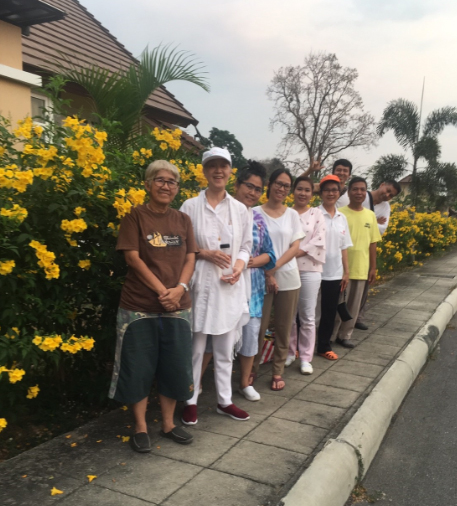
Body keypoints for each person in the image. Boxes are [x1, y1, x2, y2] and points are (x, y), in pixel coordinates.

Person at [109, 160, 198, 453]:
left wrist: (180, 289)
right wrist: (163, 292)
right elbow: (132, 258)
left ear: (177, 188)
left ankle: (169, 424)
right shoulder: (134, 217)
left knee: (174, 365)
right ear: (147, 184)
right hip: (139, 307)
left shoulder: (183, 220)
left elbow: (190, 258)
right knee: (138, 367)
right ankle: (140, 427)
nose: (166, 186)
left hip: (178, 306)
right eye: (159, 180)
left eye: (172, 182)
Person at [180, 147, 252, 425]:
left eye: (223, 166)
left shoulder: (240, 209)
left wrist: (239, 267)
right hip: (199, 284)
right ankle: (190, 400)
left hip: (228, 285)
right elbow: (182, 245)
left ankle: (224, 401)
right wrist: (204, 253)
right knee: (196, 348)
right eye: (212, 166)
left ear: (230, 171)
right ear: (204, 170)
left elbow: (245, 246)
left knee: (224, 349)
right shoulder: (189, 206)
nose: (218, 171)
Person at [200, 161, 277, 401]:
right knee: (212, 338)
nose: (252, 193)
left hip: (251, 289)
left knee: (250, 337)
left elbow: (270, 255)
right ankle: (196, 383)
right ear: (237, 184)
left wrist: (249, 262)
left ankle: (244, 383)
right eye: (249, 186)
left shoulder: (259, 219)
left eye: (258, 189)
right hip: (220, 284)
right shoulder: (220, 211)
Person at [252, 169, 305, 391]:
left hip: (288, 278)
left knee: (284, 327)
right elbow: (252, 246)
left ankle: (277, 370)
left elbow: (295, 247)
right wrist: (267, 274)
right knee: (258, 327)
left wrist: (272, 269)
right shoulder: (254, 213)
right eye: (278, 183)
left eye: (286, 185)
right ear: (270, 184)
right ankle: (251, 368)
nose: (282, 189)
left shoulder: (292, 215)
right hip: (260, 279)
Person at [331, 177, 382, 348]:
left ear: (366, 193)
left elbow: (373, 243)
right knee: (337, 305)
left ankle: (345, 335)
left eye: (362, 189)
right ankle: (330, 335)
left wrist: (373, 268)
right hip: (340, 268)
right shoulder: (340, 213)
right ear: (349, 192)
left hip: (361, 268)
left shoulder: (370, 215)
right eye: (355, 189)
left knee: (353, 306)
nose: (359, 193)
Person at [286, 175, 325, 374]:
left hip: (310, 269)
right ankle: (289, 352)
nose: (303, 193)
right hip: (287, 269)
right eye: (299, 189)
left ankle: (306, 357)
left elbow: (319, 239)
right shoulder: (286, 213)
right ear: (293, 191)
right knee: (289, 315)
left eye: (307, 190)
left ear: (312, 193)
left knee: (308, 316)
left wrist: (295, 252)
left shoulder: (317, 214)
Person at [355, 179, 401, 330]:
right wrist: (373, 221)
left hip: (367, 248)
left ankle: (358, 317)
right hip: (350, 246)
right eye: (387, 190)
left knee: (364, 285)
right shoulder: (362, 196)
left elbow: (381, 230)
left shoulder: (386, 207)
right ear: (382, 185)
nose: (387, 195)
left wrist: (366, 222)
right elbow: (351, 218)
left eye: (391, 195)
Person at [316, 175, 352, 360]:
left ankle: (324, 346)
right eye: (327, 190)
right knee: (306, 311)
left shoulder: (341, 218)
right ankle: (299, 346)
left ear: (339, 193)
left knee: (329, 312)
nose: (331, 193)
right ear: (321, 193)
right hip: (314, 271)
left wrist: (346, 272)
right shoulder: (314, 214)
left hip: (334, 273)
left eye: (334, 190)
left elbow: (343, 247)